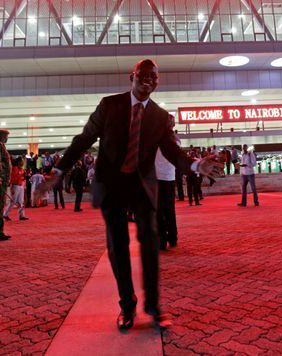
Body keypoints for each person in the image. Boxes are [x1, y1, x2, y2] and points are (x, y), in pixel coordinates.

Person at [35, 59, 222, 331]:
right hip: (111, 185)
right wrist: (59, 170)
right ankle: (127, 304)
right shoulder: (109, 105)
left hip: (142, 185)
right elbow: (83, 139)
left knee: (150, 241)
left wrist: (195, 165)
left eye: (154, 77)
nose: (148, 80)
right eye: (143, 75)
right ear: (131, 77)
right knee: (117, 245)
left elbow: (172, 151)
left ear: (158, 82)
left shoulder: (159, 116)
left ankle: (154, 306)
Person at [155, 115, 179, 250]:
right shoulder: (176, 140)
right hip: (170, 177)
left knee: (159, 210)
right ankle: (173, 237)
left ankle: (161, 239)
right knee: (170, 209)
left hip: (158, 178)